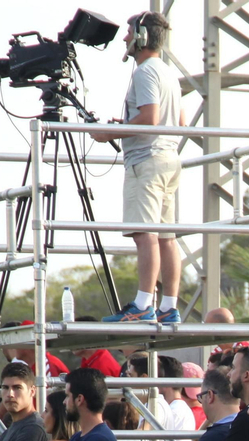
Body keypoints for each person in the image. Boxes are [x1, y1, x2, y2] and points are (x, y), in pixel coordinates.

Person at [94, 11, 185, 324]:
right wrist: (128, 125)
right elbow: (179, 121)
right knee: (166, 237)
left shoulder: (144, 72)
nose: (125, 39)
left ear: (141, 37)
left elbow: (150, 119)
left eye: (129, 33)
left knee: (145, 234)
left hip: (146, 162)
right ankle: (169, 307)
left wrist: (110, 132)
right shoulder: (169, 73)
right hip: (169, 159)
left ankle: (144, 305)